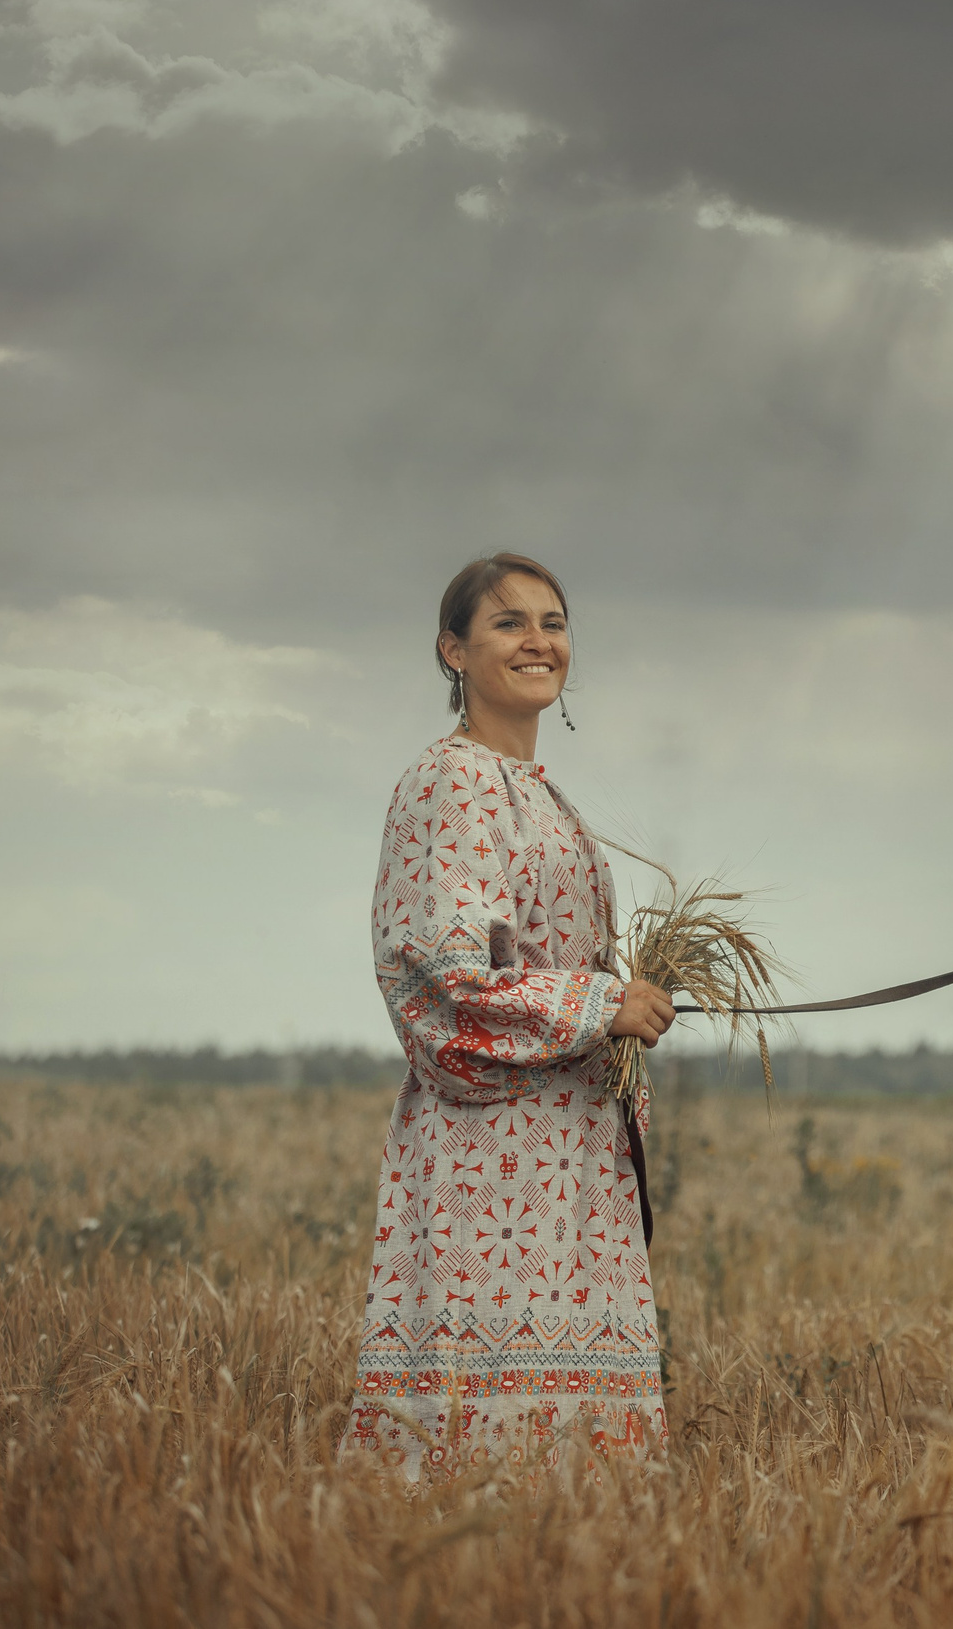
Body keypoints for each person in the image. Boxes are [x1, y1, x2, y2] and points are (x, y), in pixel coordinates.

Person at [344, 552, 676, 1483]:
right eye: (509, 622)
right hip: (493, 1160)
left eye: (554, 621)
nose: (539, 639)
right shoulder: (449, 783)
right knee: (476, 1460)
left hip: (574, 1153)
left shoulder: (544, 794)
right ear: (452, 649)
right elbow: (447, 981)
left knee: (577, 1472)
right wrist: (606, 1002)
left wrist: (628, 994)